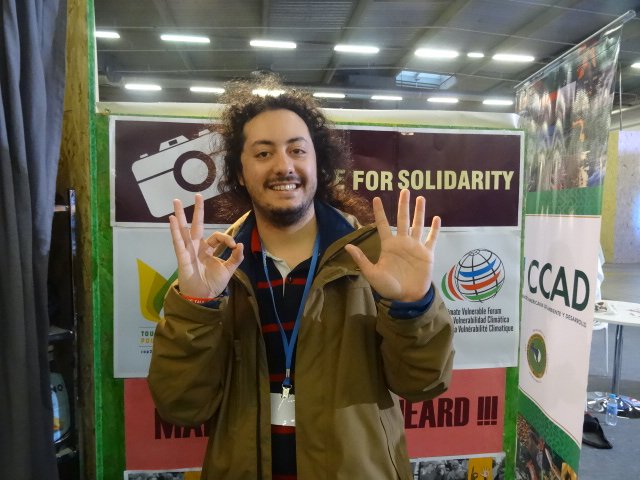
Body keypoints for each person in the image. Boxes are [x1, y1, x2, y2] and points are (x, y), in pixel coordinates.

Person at [147, 77, 455, 480]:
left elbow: (423, 385)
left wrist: (413, 307)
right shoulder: (216, 272)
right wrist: (196, 309)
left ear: (318, 164)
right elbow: (181, 406)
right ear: (240, 171)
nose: (283, 166)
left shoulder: (373, 260)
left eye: (297, 150)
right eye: (263, 153)